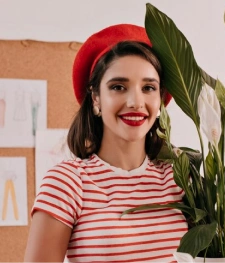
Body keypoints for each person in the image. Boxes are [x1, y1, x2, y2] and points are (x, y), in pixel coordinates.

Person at [24, 24, 188, 263]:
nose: (136, 102)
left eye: (148, 87)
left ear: (160, 99)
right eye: (118, 87)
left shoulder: (179, 177)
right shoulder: (68, 182)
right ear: (96, 98)